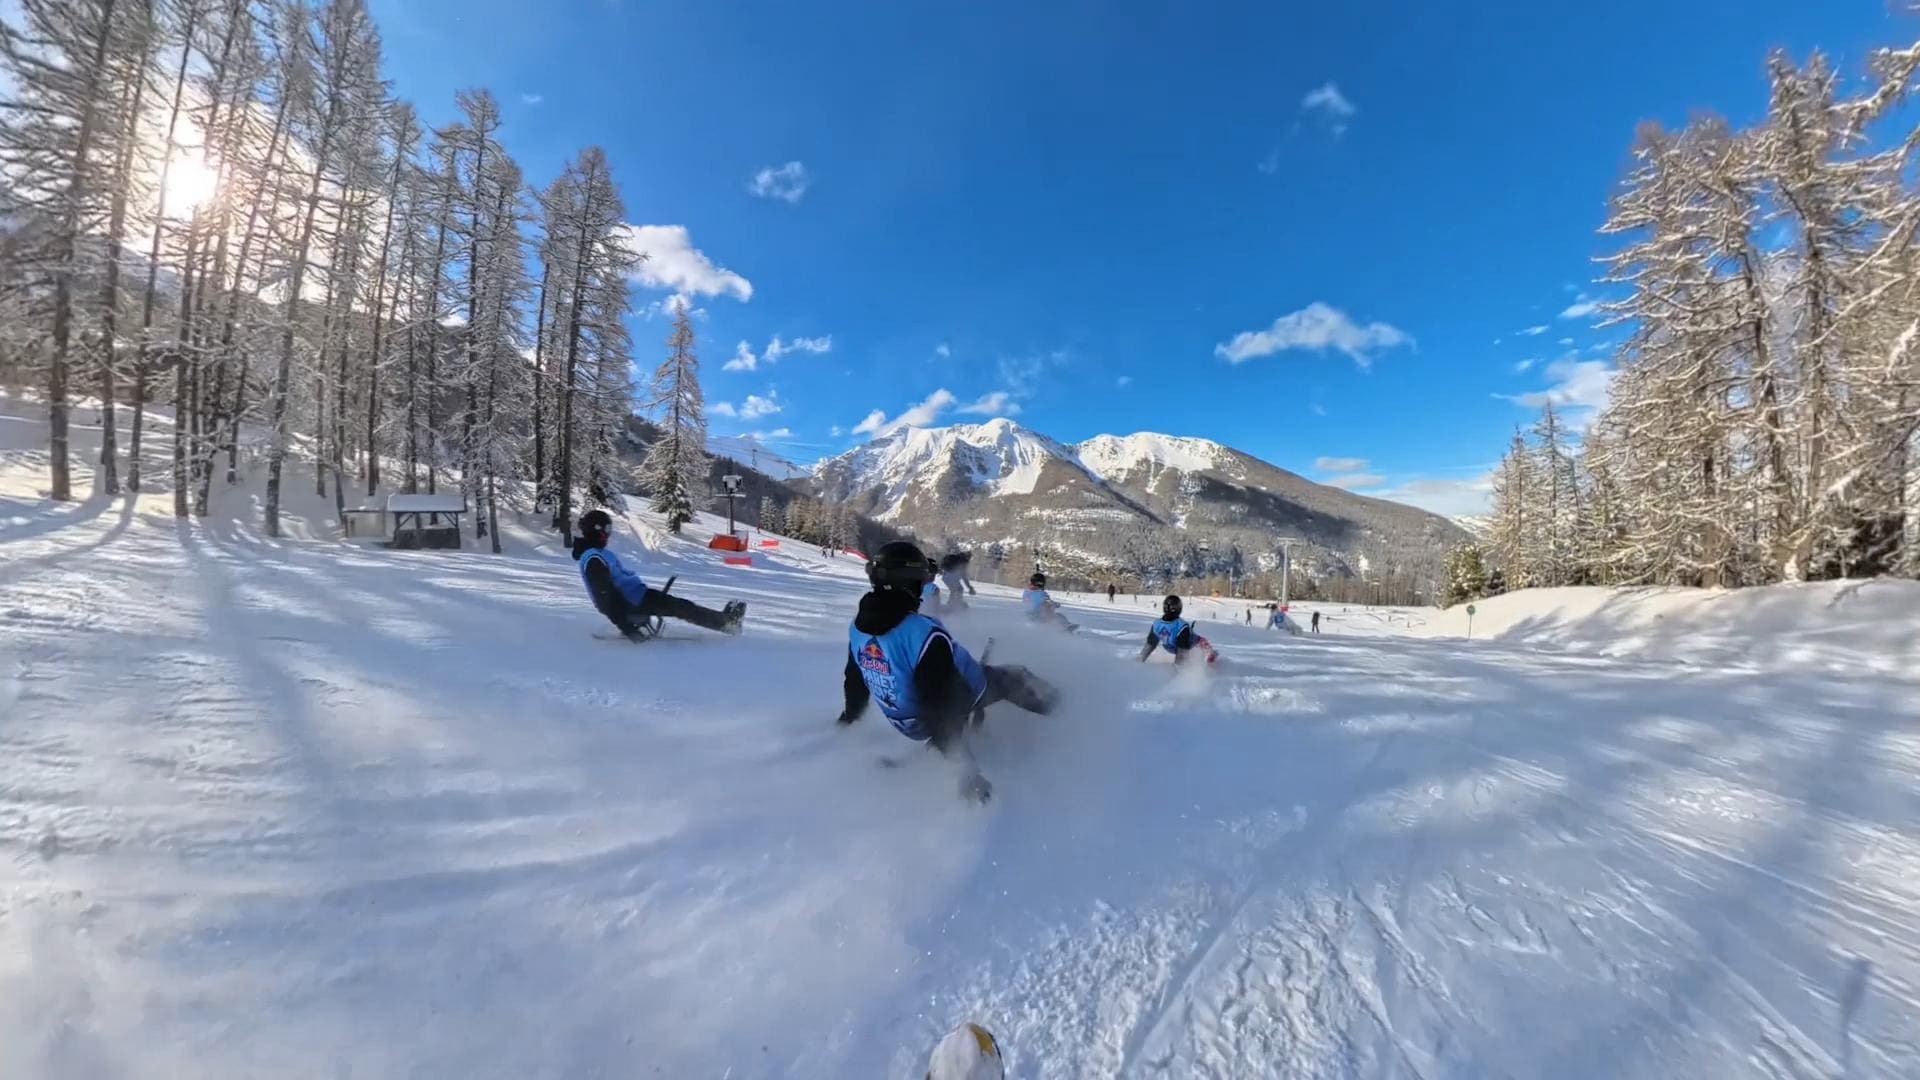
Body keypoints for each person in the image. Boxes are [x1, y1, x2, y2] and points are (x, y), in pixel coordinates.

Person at [837, 542, 1059, 801]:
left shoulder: (858, 629)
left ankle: (972, 723)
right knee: (1016, 676)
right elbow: (939, 706)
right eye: (920, 581)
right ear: (909, 583)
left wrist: (848, 719)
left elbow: (855, 681)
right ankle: (1064, 709)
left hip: (905, 721)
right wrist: (965, 767)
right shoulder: (923, 634)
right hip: (949, 705)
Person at [572, 510, 745, 639]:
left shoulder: (596, 554)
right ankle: (726, 624)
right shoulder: (593, 558)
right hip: (631, 602)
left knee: (680, 605)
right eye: (607, 529)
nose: (608, 534)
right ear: (597, 530)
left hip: (636, 596)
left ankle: (724, 621)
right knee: (681, 607)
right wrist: (628, 628)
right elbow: (605, 597)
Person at [1139, 595, 1217, 666]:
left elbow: (1149, 646)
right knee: (1208, 654)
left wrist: (1140, 660)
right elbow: (1182, 653)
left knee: (1208, 656)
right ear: (1179, 609)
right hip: (1187, 645)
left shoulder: (1157, 624)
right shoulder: (1181, 626)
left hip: (1182, 646)